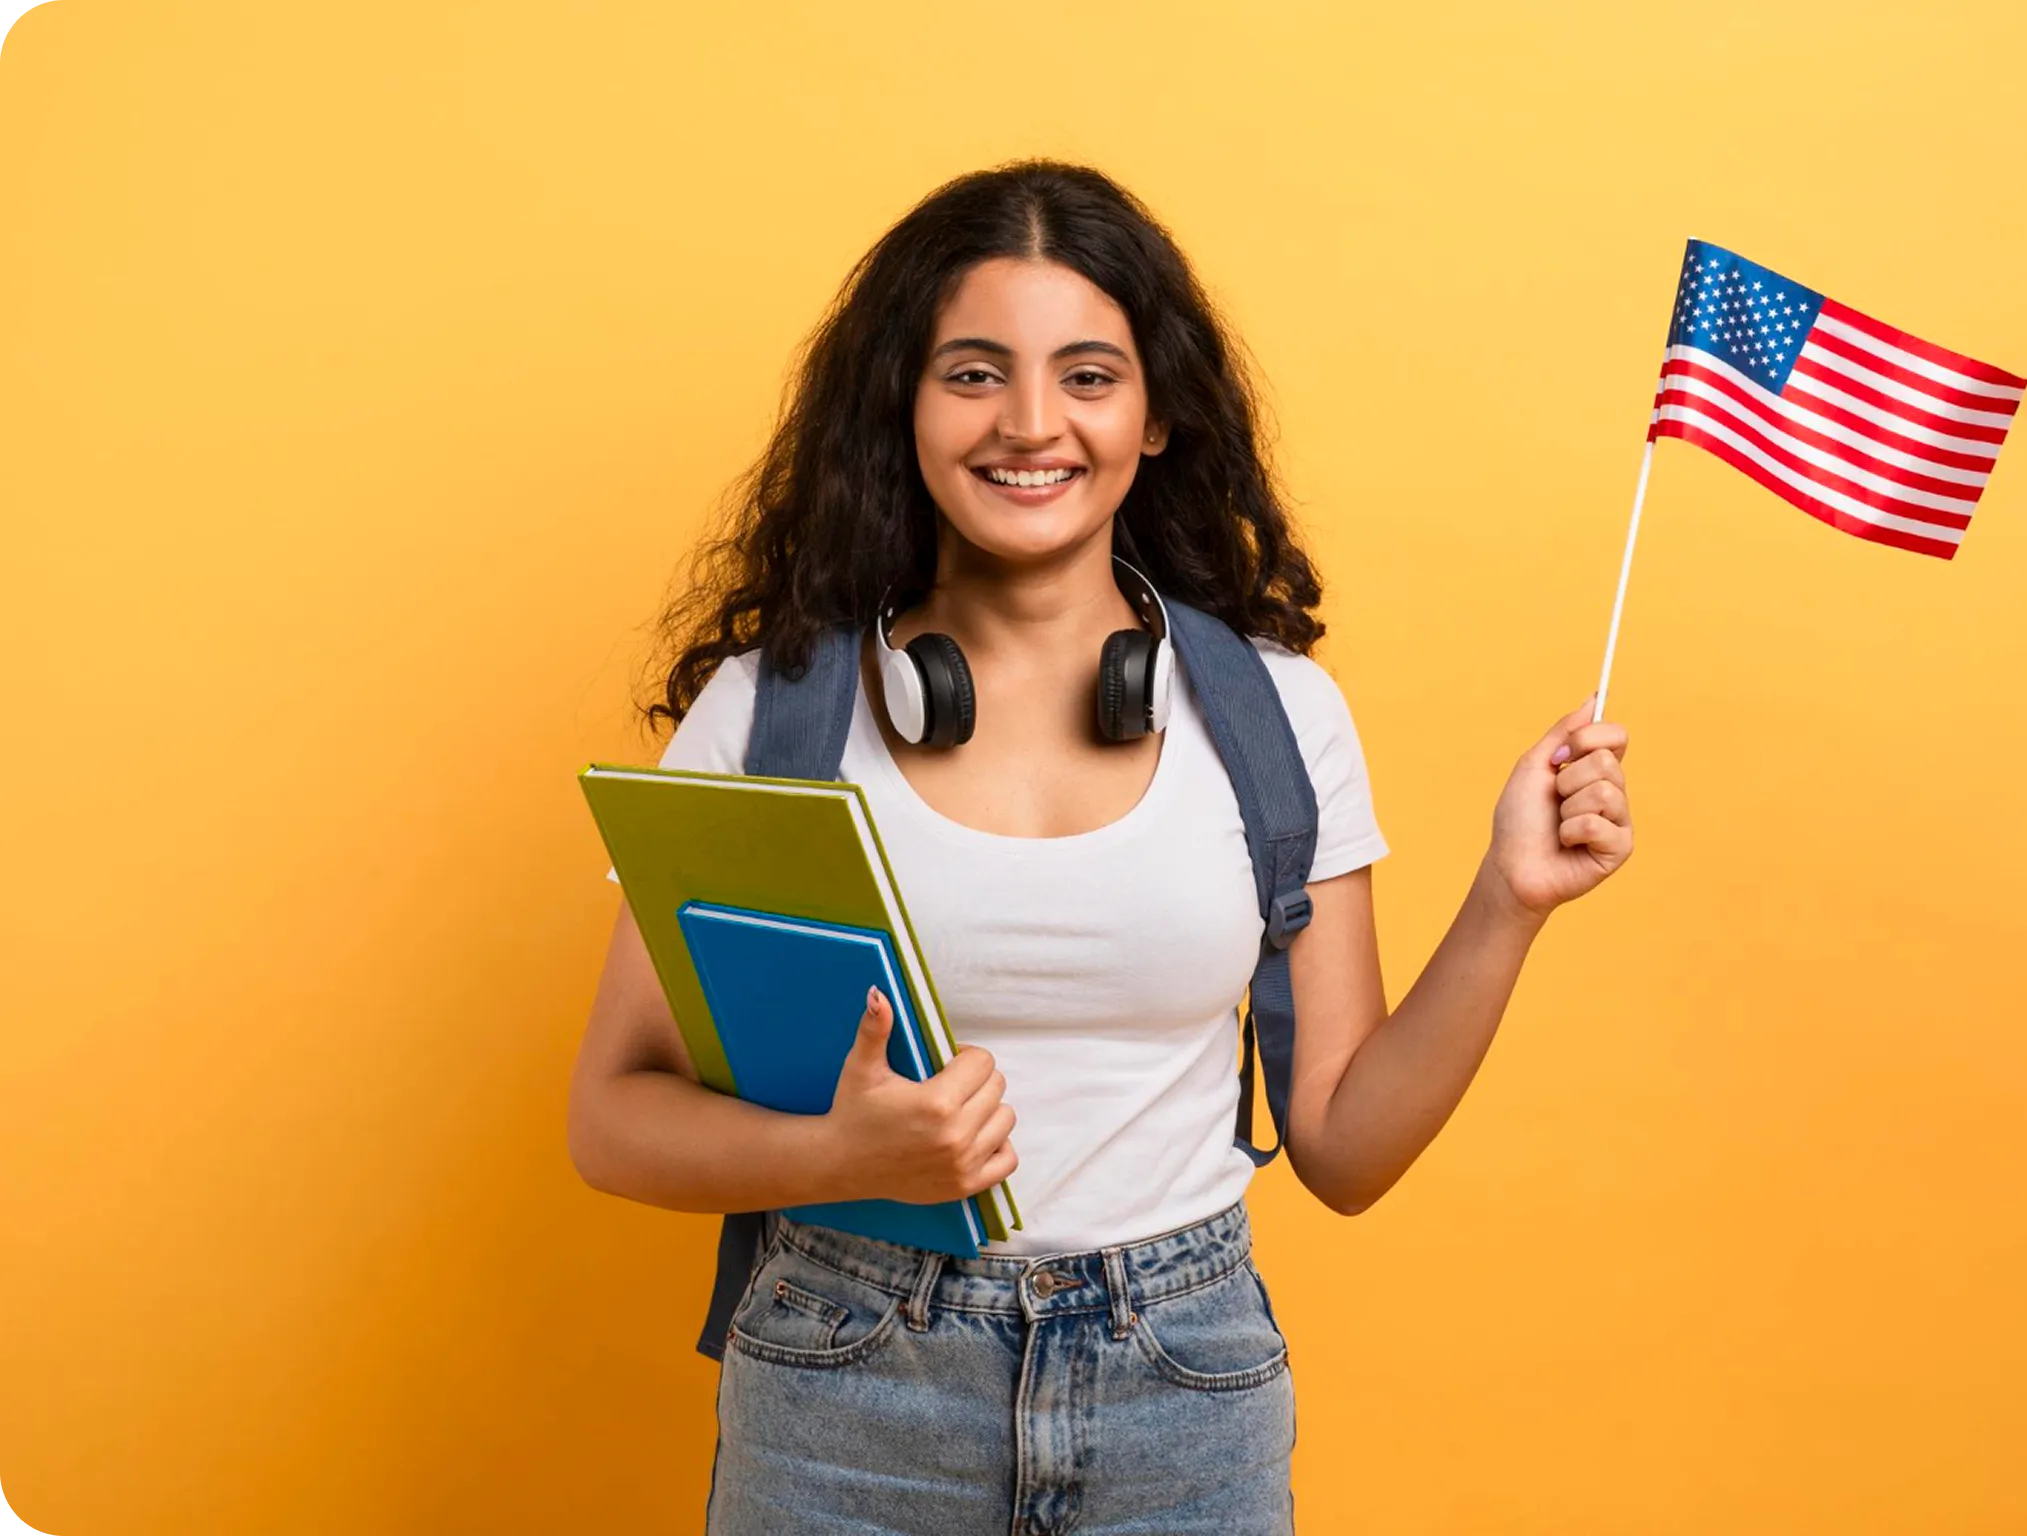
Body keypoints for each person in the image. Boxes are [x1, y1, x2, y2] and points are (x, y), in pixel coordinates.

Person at [567, 158, 1635, 1536]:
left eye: (1086, 374)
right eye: (971, 373)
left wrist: (1510, 900)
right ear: (900, 406)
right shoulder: (775, 714)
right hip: (846, 1381)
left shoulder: (1275, 714)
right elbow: (611, 1118)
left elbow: (1347, 1152)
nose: (1029, 423)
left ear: (1160, 414)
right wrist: (847, 1153)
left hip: (1179, 1388)